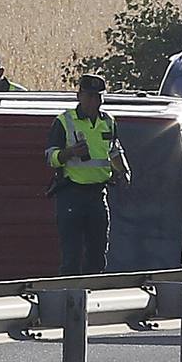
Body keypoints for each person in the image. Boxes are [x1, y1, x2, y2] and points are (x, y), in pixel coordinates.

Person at [44, 74, 131, 275]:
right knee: (71, 256)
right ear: (79, 96)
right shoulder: (65, 121)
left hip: (97, 195)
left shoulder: (108, 121)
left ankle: (93, 299)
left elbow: (114, 150)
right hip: (71, 195)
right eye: (90, 96)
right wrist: (71, 152)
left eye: (98, 97)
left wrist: (123, 170)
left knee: (98, 254)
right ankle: (68, 299)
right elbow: (50, 158)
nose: (94, 101)